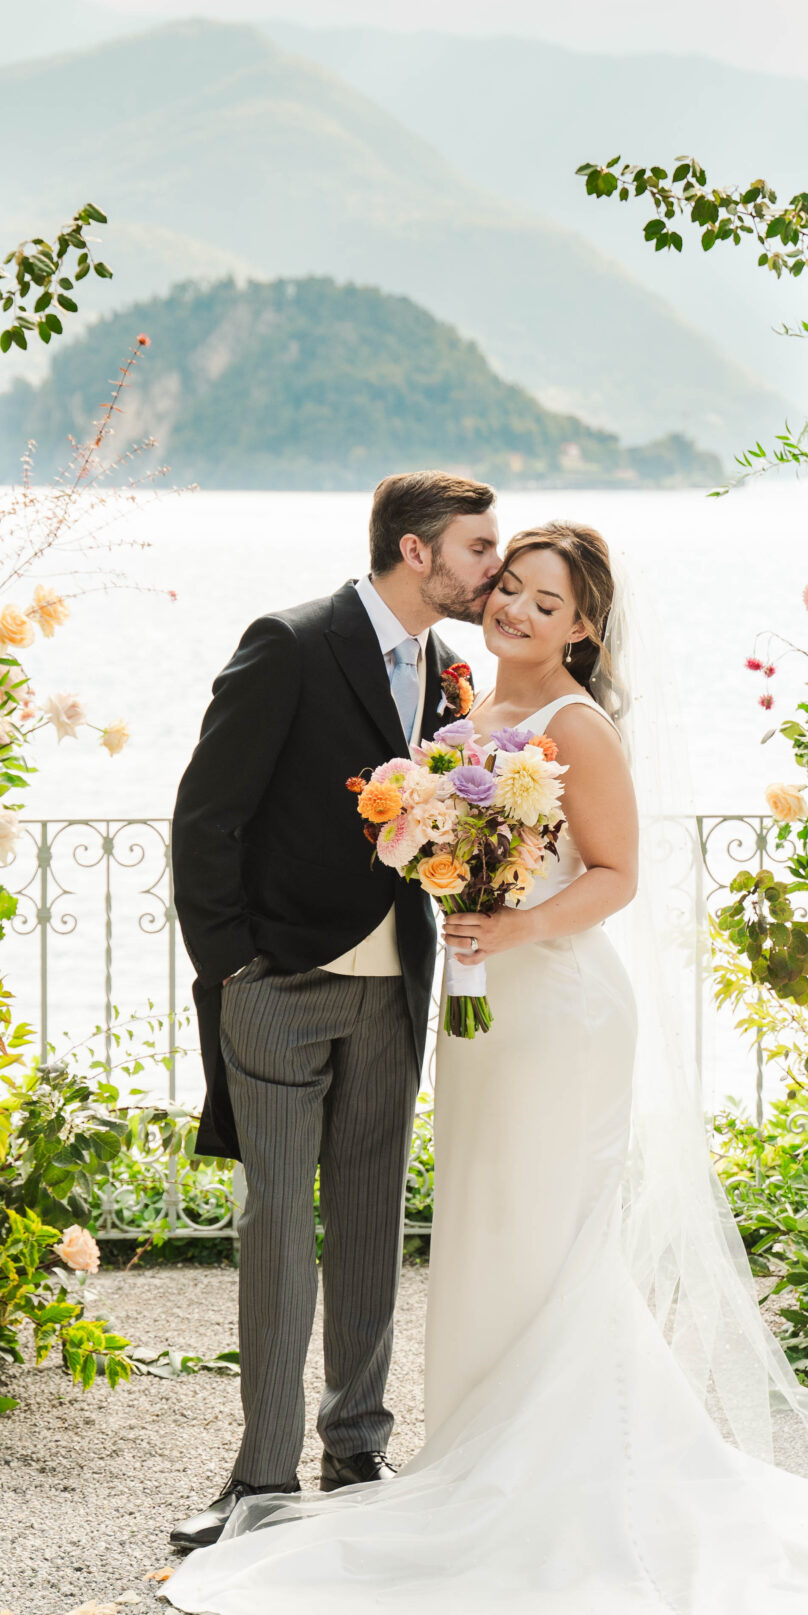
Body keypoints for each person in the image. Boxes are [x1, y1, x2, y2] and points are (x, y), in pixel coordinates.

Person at [164, 521, 808, 1615]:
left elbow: (618, 874)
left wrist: (512, 921)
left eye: (546, 601)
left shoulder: (574, 729)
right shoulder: (459, 719)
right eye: (508, 590)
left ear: (583, 625)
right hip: (480, 1014)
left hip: (559, 1011)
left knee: (547, 1233)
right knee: (485, 1230)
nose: (518, 611)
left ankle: (557, 1471)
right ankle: (474, 1455)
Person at [168, 471, 502, 1551]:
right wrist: (232, 967)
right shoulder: (290, 641)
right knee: (277, 1223)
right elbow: (205, 815)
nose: (491, 569)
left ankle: (355, 1446)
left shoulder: (450, 672)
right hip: (278, 983)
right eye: (477, 548)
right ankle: (258, 1476)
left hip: (393, 985)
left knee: (368, 1221)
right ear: (417, 551)